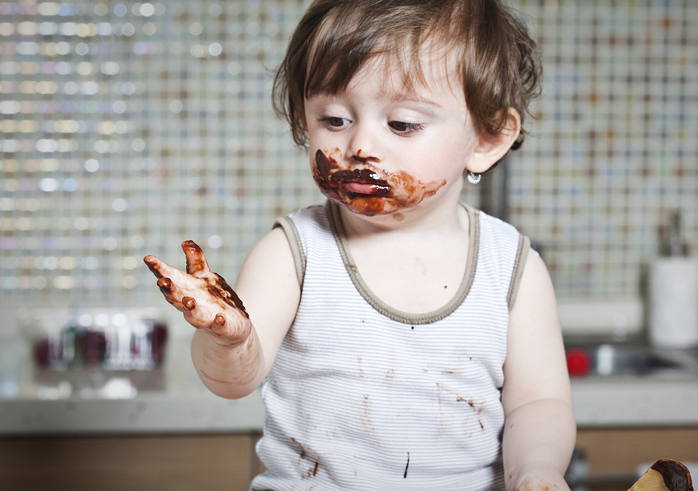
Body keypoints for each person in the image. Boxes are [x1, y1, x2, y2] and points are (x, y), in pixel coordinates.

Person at [143, 1, 575, 489]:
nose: (361, 145)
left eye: (402, 123)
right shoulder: (294, 253)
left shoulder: (511, 268)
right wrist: (229, 337)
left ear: (487, 138)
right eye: (333, 119)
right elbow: (232, 381)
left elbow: (539, 403)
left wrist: (536, 470)